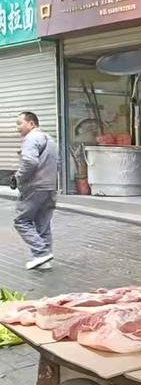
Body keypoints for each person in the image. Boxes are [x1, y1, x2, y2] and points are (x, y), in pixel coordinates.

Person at [11, 112, 58, 270]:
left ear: (31, 123)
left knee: (21, 221)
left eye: (20, 123)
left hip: (34, 187)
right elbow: (57, 163)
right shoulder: (50, 139)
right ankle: (45, 260)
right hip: (50, 187)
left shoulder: (31, 138)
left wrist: (18, 177)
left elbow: (30, 161)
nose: (17, 128)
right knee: (43, 224)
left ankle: (41, 253)